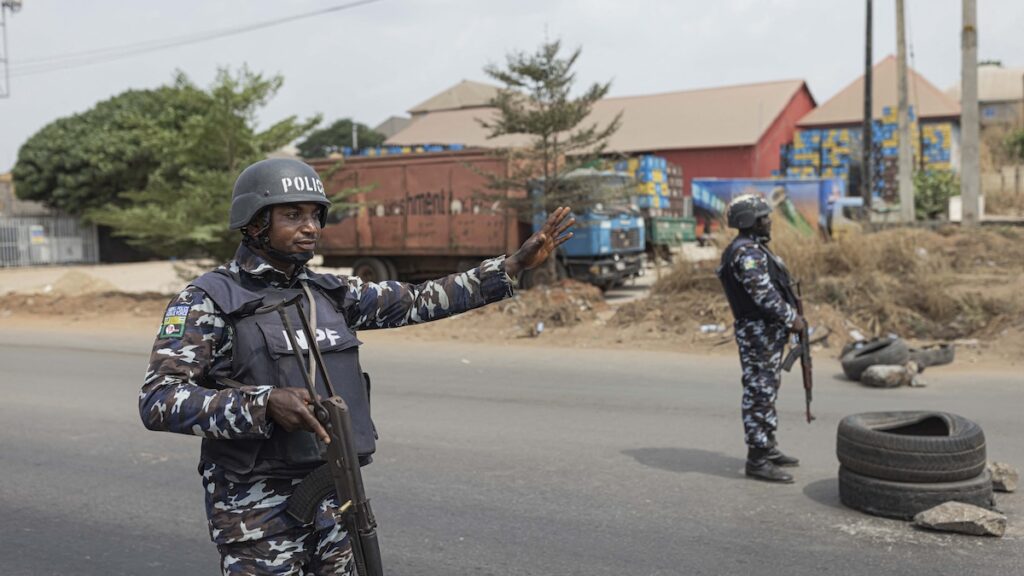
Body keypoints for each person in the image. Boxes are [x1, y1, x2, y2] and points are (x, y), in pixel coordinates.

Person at [139, 157, 574, 575]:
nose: (310, 227)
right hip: (256, 514)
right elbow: (159, 400)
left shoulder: (330, 293)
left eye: (315, 215)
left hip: (334, 499)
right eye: (292, 215)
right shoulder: (208, 301)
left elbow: (418, 300)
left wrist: (512, 266)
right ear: (254, 223)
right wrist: (263, 404)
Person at [716, 194, 806, 484]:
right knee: (759, 392)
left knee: (766, 389)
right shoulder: (746, 253)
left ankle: (767, 447)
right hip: (758, 332)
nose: (769, 221)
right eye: (763, 217)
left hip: (764, 331)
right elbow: (763, 296)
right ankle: (757, 460)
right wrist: (792, 318)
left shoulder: (753, 248)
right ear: (748, 221)